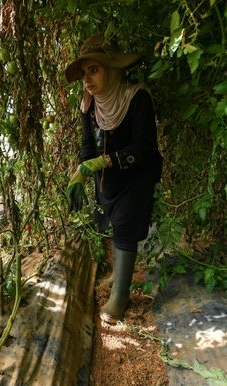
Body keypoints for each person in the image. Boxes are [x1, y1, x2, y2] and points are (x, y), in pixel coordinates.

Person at [65, 34, 162, 324]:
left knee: (125, 227)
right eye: (84, 73)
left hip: (136, 176)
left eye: (94, 70)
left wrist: (102, 162)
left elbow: (144, 147)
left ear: (114, 70)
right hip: (108, 179)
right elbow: (88, 145)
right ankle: (118, 274)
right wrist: (81, 171)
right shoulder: (90, 106)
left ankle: (120, 295)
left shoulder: (137, 98)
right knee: (110, 221)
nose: (86, 79)